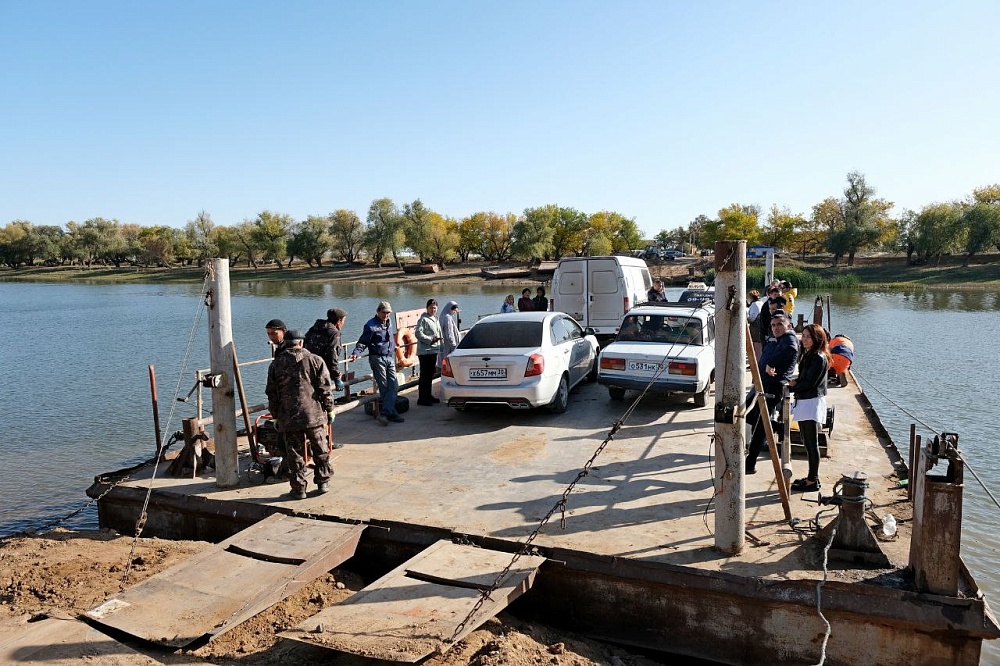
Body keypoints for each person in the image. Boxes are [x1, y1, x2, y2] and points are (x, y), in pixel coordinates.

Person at [265, 329, 335, 500]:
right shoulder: (315, 360)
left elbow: (272, 393)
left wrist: (275, 416)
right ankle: (323, 482)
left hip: (289, 417)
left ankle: (299, 489)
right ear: (301, 343)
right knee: (320, 448)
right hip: (314, 415)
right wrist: (330, 409)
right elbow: (325, 388)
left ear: (286, 343)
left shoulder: (276, 364)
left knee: (294, 454)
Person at [745, 310, 799, 475]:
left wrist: (771, 363)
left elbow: (790, 349)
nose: (776, 328)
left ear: (788, 326)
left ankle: (750, 464)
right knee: (750, 414)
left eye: (780, 325)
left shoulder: (789, 339)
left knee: (762, 426)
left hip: (773, 388)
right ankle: (779, 427)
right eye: (774, 325)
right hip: (763, 385)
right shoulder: (777, 340)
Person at [787, 324, 830, 492]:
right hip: (805, 400)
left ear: (817, 339)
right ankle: (811, 477)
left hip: (811, 402)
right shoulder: (810, 354)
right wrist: (795, 382)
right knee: (806, 440)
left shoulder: (819, 357)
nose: (804, 339)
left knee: (812, 443)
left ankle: (813, 480)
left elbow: (810, 382)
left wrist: (792, 386)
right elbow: (805, 378)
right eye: (803, 335)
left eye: (808, 337)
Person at [349, 301, 404, 425]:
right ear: (378, 311)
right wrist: (356, 352)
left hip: (389, 357)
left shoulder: (389, 323)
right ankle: (392, 413)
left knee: (394, 385)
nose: (386, 315)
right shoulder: (370, 325)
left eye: (388, 313)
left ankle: (385, 413)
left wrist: (394, 346)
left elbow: (390, 339)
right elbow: (363, 342)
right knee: (384, 386)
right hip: (377, 358)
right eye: (384, 313)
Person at [304, 308, 347, 393]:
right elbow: (332, 356)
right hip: (321, 370)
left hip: (306, 367)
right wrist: (336, 377)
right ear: (339, 320)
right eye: (343, 321)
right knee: (324, 397)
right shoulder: (334, 333)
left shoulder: (313, 329)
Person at [414, 299, 443, 406]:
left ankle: (428, 395)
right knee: (425, 375)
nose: (433, 310)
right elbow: (417, 333)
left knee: (430, 374)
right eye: (431, 307)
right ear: (427, 308)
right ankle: (422, 398)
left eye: (434, 308)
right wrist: (430, 339)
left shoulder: (435, 319)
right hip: (425, 351)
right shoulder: (423, 319)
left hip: (433, 350)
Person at [747, 290, 763, 360]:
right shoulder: (761, 303)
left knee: (756, 348)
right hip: (761, 328)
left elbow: (752, 318)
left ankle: (757, 364)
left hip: (756, 329)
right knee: (760, 348)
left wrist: (746, 318)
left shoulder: (754, 305)